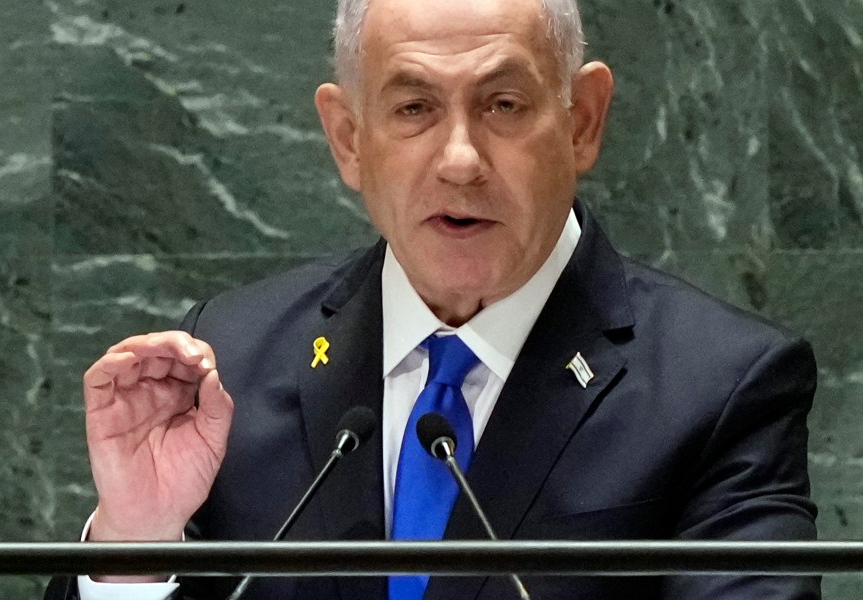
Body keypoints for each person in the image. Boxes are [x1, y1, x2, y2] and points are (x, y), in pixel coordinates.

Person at [45, 0, 820, 598]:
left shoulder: (720, 387)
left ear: (582, 121)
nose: (459, 159)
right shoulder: (233, 363)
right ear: (349, 138)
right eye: (414, 108)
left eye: (503, 105)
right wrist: (136, 546)